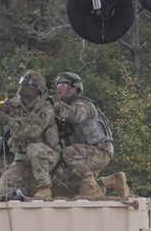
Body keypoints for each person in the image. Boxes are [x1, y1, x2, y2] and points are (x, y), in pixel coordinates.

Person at [0, 69, 61, 199]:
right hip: (22, 158)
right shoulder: (13, 104)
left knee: (34, 148)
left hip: (47, 155)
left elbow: (32, 131)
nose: (23, 85)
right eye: (22, 81)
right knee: (2, 191)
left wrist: (8, 120)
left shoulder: (45, 108)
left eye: (28, 82)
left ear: (37, 88)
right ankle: (27, 187)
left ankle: (44, 189)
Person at [54, 72, 129, 200]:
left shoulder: (83, 104)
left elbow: (76, 116)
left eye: (63, 84)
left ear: (74, 88)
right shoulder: (71, 107)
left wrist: (53, 106)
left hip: (99, 150)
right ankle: (110, 181)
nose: (58, 88)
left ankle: (92, 188)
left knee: (68, 153)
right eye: (57, 85)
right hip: (90, 153)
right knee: (75, 191)